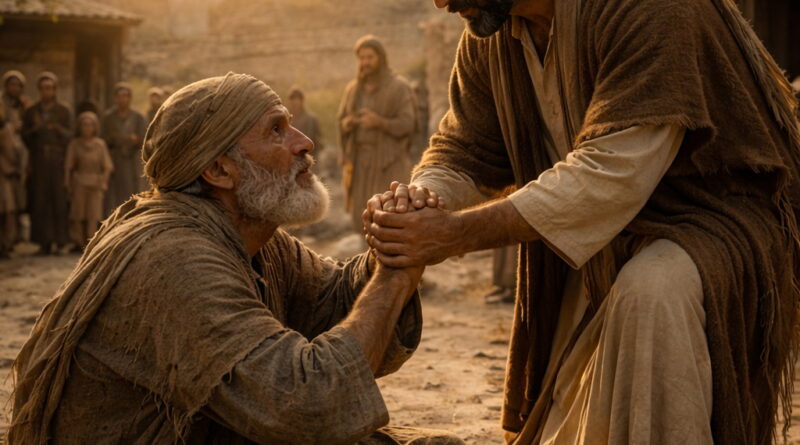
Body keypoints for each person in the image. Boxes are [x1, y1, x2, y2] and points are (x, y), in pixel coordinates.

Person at [364, 0, 800, 443]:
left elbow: (611, 172)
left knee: (652, 293)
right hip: (598, 239)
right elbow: (462, 149)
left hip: (711, 218)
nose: (440, 2)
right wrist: (420, 201)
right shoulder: (492, 33)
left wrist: (455, 234)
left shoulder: (652, 9)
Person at [9, 73, 462, 445]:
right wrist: (397, 272)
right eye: (277, 130)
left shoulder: (251, 233)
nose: (304, 143)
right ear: (219, 171)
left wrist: (391, 241)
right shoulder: (175, 258)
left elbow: (330, 303)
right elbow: (307, 404)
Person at [338, 35, 416, 233]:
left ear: (380, 58)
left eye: (370, 57)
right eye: (361, 58)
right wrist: (348, 124)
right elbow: (342, 120)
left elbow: (408, 124)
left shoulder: (399, 87)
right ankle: (368, 264)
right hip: (360, 164)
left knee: (389, 217)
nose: (365, 62)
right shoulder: (353, 90)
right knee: (361, 218)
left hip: (387, 163)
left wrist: (379, 122)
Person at [21, 71, 71, 255]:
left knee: (58, 200)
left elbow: (71, 135)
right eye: (43, 88)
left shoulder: (63, 110)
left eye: (49, 88)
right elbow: (24, 137)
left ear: (55, 89)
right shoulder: (31, 111)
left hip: (57, 160)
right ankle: (43, 243)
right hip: (39, 160)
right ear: (39, 90)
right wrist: (36, 129)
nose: (46, 91)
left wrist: (57, 129)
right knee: (40, 200)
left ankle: (60, 242)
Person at [64, 111, 113, 249]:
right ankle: (78, 242)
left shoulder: (100, 144)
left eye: (91, 125)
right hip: (79, 181)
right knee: (78, 214)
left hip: (95, 182)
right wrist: (67, 183)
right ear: (80, 127)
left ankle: (90, 243)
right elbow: (68, 166)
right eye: (85, 125)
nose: (88, 128)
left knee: (94, 215)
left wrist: (103, 182)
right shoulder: (75, 144)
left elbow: (108, 166)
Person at [101, 81, 147, 214]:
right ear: (115, 98)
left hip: (131, 160)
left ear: (130, 98)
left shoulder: (138, 117)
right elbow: (103, 139)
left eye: (126, 96)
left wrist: (135, 140)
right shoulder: (108, 117)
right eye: (120, 96)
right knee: (113, 195)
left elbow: (144, 139)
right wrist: (116, 139)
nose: (123, 99)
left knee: (132, 193)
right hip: (114, 160)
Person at [2, 71, 31, 243]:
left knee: (17, 204)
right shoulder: (1, 104)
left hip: (19, 161)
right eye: (11, 84)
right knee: (6, 206)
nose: (15, 88)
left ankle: (11, 241)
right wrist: (9, 129)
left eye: (18, 85)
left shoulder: (23, 106)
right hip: (3, 162)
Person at [0, 106, 17, 258]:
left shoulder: (6, 129)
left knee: (8, 212)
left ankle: (6, 245)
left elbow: (12, 152)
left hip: (4, 175)